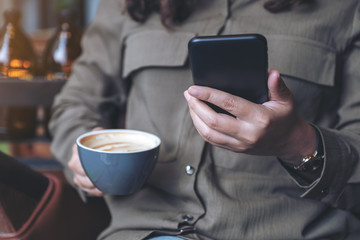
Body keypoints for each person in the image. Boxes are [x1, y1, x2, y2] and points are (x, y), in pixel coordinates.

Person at [49, 0, 360, 239]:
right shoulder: (130, 6)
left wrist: (295, 142)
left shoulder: (347, 10)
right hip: (146, 230)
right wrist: (83, 156)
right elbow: (74, 105)